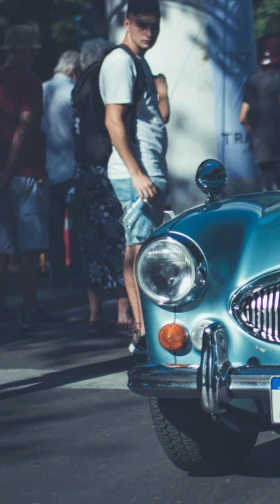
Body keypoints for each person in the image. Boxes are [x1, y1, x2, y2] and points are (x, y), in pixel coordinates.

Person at [100, 0, 170, 354]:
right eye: (142, 24)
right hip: (135, 175)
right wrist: (137, 172)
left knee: (142, 249)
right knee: (139, 252)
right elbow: (113, 120)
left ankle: (144, 331)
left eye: (154, 25)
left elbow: (156, 119)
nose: (149, 32)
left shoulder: (139, 62)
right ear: (126, 23)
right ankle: (143, 333)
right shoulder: (120, 62)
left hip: (145, 172)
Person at [72, 38, 134, 335]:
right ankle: (123, 311)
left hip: (84, 168)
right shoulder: (104, 80)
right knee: (118, 237)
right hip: (106, 165)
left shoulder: (80, 83)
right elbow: (115, 121)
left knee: (90, 241)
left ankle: (95, 313)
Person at [0, 25, 57, 328]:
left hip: (4, 173)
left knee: (2, 244)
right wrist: (9, 170)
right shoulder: (30, 80)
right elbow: (25, 128)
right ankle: (30, 309)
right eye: (32, 52)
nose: (34, 57)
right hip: (25, 173)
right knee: (30, 245)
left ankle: (3, 308)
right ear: (24, 52)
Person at [239, 36, 280, 192]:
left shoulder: (253, 81)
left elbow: (242, 117)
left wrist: (254, 133)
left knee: (268, 191)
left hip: (262, 146)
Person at [42, 50, 80, 290]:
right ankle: (75, 272)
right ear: (75, 70)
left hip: (45, 166)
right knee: (76, 224)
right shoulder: (73, 91)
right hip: (71, 166)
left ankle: (57, 274)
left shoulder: (42, 88)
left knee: (52, 225)